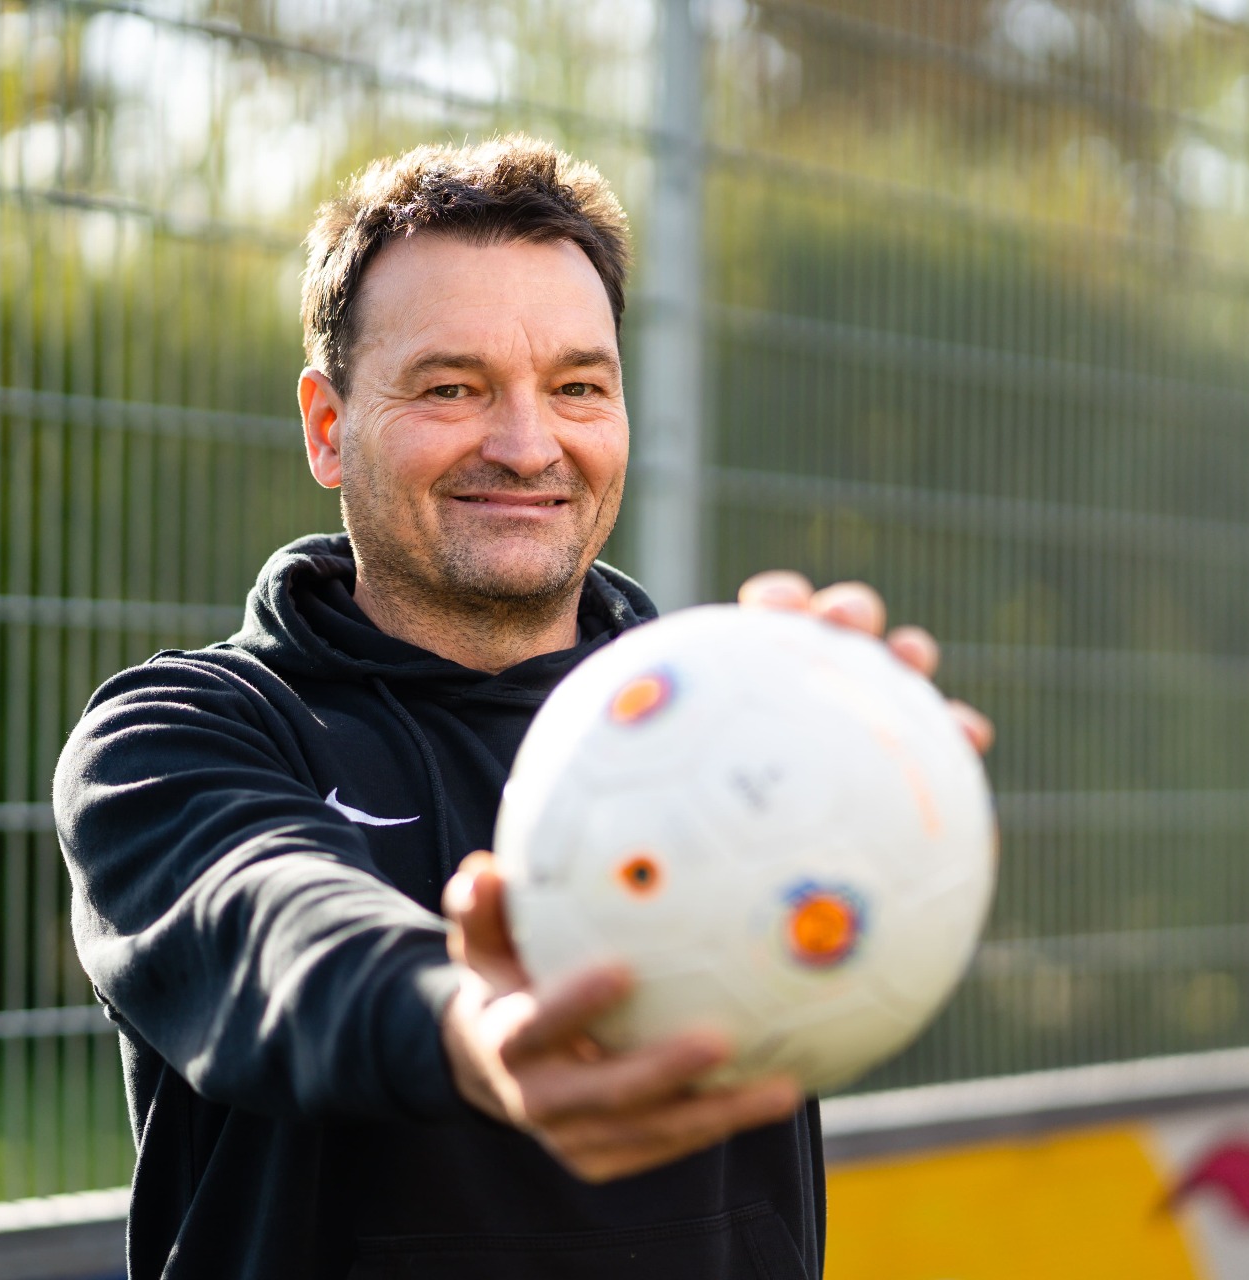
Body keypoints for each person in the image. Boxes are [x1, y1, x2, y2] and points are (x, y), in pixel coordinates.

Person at [55, 134, 992, 1280]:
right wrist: (467, 1022)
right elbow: (272, 923)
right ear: (328, 425)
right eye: (453, 386)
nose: (527, 443)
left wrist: (887, 783)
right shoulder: (179, 732)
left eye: (577, 386)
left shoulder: (738, 723)